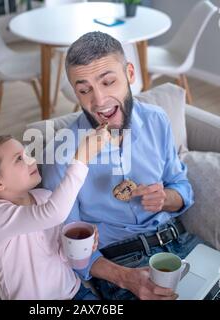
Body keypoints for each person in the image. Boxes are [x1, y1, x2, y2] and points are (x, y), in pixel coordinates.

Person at [42, 31, 203, 300]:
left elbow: (181, 187)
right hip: (124, 263)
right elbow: (70, 246)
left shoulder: (157, 120)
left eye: (108, 82)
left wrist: (166, 198)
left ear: (130, 74)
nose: (99, 101)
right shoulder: (62, 153)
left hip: (181, 241)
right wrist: (126, 278)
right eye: (84, 90)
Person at [0, 126, 109, 300]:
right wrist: (82, 158)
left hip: (76, 292)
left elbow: (60, 254)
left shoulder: (45, 197)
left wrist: (79, 246)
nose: (31, 159)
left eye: (27, 154)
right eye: (19, 159)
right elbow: (53, 214)